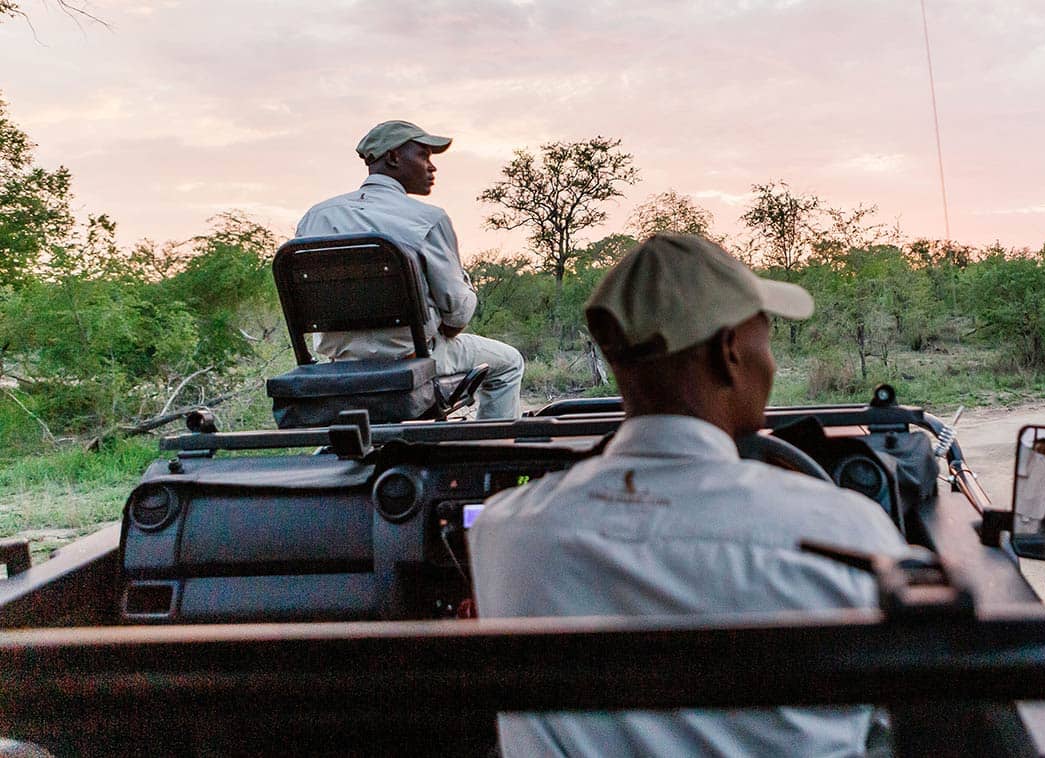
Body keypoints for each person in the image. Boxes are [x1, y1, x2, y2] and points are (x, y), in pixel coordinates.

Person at [468, 233, 907, 756]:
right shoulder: (844, 532)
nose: (770, 358)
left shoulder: (503, 531)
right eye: (764, 334)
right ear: (728, 352)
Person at [296, 120, 524, 419]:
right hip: (414, 357)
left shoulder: (316, 217)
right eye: (424, 155)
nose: (432, 167)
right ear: (393, 158)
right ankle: (494, 453)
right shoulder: (426, 218)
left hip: (340, 362)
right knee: (509, 362)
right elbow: (458, 316)